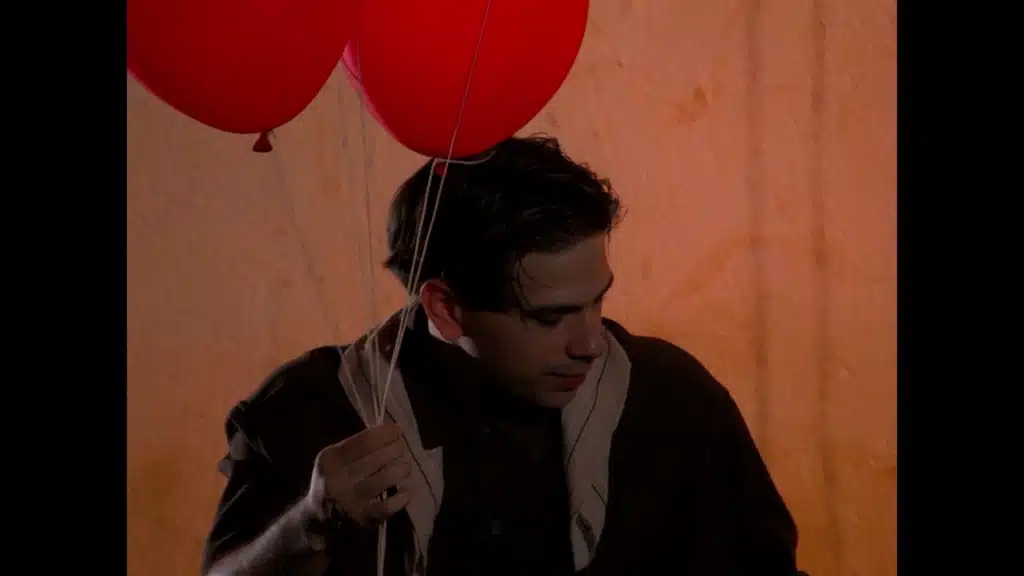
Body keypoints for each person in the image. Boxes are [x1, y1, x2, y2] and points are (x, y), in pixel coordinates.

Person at [201, 136, 808, 576]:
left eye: (597, 301)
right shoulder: (316, 408)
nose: (591, 343)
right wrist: (309, 524)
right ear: (446, 308)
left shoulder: (671, 399)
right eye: (550, 318)